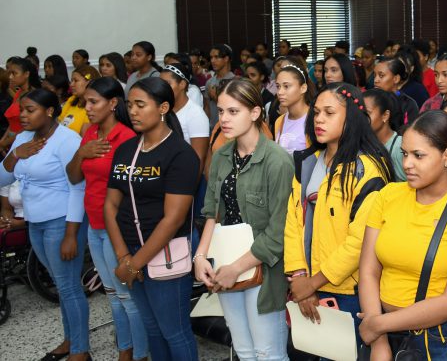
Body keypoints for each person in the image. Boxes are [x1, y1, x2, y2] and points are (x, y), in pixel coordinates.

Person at [357, 111, 447, 360]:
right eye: (404, 154)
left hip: (446, 341)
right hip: (387, 333)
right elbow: (368, 271)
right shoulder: (388, 196)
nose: (407, 164)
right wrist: (379, 340)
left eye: (418, 155)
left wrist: (377, 325)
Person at [284, 83, 394, 346]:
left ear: (352, 118)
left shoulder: (368, 170)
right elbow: (293, 221)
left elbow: (360, 242)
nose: (319, 119)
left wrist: (313, 283)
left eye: (329, 113)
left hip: (348, 291)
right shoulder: (308, 161)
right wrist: (300, 278)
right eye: (316, 112)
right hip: (306, 284)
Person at [193, 79, 293, 360]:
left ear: (255, 112)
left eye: (233, 111)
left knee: (268, 353)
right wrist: (200, 257)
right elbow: (212, 212)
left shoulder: (277, 160)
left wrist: (236, 268)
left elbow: (278, 231)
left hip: (263, 266)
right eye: (221, 111)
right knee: (244, 350)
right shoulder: (222, 156)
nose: (223, 119)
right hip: (226, 262)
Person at [104, 77, 200, 361]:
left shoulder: (181, 154)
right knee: (152, 329)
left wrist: (134, 264)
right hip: (130, 252)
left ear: (163, 108)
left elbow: (173, 219)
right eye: (129, 104)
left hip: (164, 253)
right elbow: (110, 205)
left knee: (174, 331)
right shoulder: (126, 150)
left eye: (140, 105)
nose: (132, 111)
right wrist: (124, 256)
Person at [1, 89, 89, 360]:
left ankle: (80, 350)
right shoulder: (22, 138)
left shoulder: (67, 140)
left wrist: (71, 234)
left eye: (30, 110)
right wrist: (16, 155)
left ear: (49, 111)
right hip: (34, 222)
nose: (22, 116)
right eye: (22, 110)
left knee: (68, 286)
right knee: (60, 284)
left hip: (62, 221)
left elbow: (78, 188)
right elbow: (2, 179)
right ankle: (70, 340)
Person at [65, 77, 148, 361]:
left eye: (93, 102)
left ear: (113, 103)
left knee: (128, 297)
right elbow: (74, 177)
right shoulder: (90, 133)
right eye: (85, 102)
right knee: (112, 295)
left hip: (117, 228)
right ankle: (125, 348)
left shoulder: (127, 137)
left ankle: (140, 354)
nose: (87, 108)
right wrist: (81, 153)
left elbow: (131, 190)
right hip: (94, 226)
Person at [160, 63, 209, 175]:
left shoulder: (196, 114)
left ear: (182, 84)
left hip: (183, 175)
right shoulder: (163, 109)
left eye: (167, 84)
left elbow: (198, 158)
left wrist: (190, 185)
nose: (162, 88)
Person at [363, 88, 406, 181]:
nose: (361, 118)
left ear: (385, 115)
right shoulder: (362, 144)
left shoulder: (401, 147)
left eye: (367, 113)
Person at [272, 63, 315, 156]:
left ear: (303, 88)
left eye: (286, 86)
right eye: (278, 86)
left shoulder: (315, 119)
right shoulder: (280, 121)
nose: (280, 92)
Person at [1, 57, 41, 154]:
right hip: (11, 142)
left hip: (24, 143)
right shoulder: (18, 93)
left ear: (26, 74)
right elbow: (11, 123)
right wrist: (2, 141)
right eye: (10, 73)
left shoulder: (33, 95)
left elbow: (27, 128)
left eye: (14, 73)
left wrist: (5, 143)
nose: (10, 77)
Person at [372, 57, 419, 125]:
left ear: (396, 79)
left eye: (381, 75)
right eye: (374, 75)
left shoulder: (408, 104)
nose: (375, 80)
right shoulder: (370, 100)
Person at [58, 65, 101, 136]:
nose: (71, 85)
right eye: (71, 81)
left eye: (76, 81)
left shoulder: (93, 106)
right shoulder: (72, 99)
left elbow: (84, 135)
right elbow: (59, 122)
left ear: (89, 82)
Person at [206, 44, 236, 127]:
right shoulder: (209, 82)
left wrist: (216, 98)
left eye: (216, 57)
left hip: (230, 126)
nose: (212, 61)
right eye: (211, 57)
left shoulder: (235, 81)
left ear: (226, 59)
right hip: (212, 128)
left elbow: (235, 108)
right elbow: (207, 107)